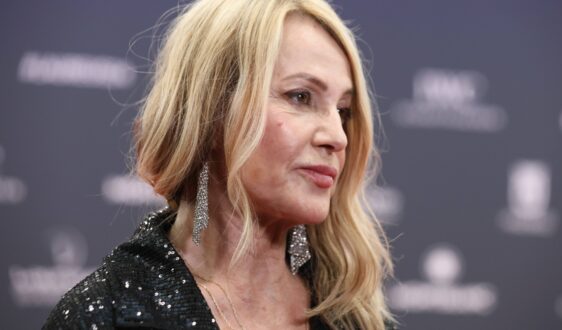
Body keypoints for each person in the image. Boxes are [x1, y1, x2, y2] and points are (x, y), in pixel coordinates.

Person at [44, 0, 395, 329]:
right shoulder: (108, 314)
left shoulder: (353, 313)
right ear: (211, 113)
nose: (338, 137)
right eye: (300, 97)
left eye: (343, 111)